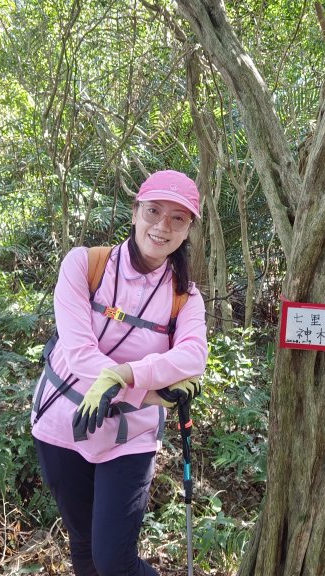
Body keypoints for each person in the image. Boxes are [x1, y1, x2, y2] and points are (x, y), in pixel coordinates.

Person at [30, 170, 208, 576]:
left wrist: (123, 375)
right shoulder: (85, 264)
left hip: (130, 437)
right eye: (154, 211)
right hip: (63, 423)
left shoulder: (186, 297)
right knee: (83, 543)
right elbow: (77, 353)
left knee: (114, 561)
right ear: (135, 212)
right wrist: (148, 391)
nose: (162, 225)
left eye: (177, 218)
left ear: (188, 230)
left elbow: (193, 357)